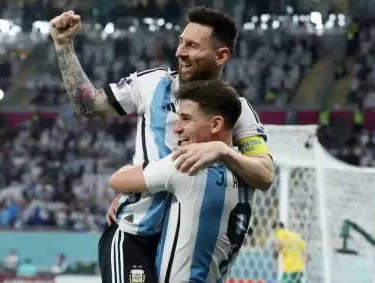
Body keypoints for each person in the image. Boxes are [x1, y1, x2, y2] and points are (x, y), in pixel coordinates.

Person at [50, 6, 273, 283]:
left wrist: (224, 151)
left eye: (192, 45)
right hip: (136, 236)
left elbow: (265, 174)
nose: (180, 52)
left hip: (189, 245)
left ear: (221, 55)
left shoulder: (235, 109)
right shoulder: (153, 83)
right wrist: (63, 46)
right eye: (181, 42)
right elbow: (89, 105)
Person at [109, 80, 254, 282]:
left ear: (216, 124)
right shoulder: (247, 171)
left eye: (186, 119)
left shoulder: (187, 165)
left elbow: (117, 180)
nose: (177, 128)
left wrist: (127, 190)